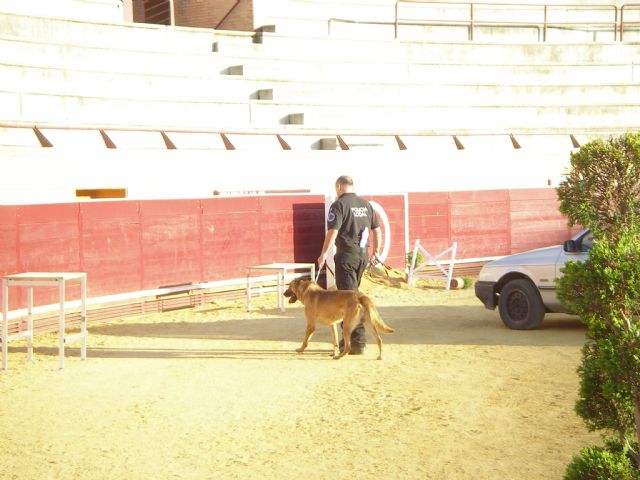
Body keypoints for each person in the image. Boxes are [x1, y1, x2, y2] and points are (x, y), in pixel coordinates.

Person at [317, 175, 382, 355]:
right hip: (362, 256)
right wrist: (376, 250)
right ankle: (355, 341)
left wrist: (323, 254)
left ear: (339, 187)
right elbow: (377, 230)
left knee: (350, 301)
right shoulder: (366, 204)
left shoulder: (339, 205)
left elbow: (333, 231)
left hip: (346, 257)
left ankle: (356, 343)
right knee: (355, 296)